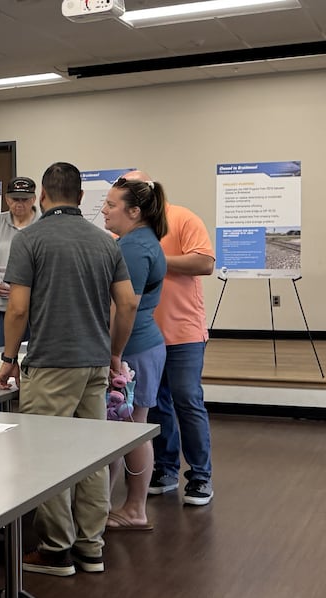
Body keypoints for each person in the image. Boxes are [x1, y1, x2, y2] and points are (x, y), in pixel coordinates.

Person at [0, 162, 138, 577]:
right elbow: (128, 303)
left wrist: (8, 359)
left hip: (51, 364)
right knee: (90, 456)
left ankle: (56, 550)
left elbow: (18, 307)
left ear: (42, 195)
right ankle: (90, 548)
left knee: (47, 456)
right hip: (94, 363)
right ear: (80, 199)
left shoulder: (31, 239)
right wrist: (113, 353)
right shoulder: (105, 242)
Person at [124, 170, 216, 506]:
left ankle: (201, 477)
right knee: (153, 403)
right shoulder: (126, 233)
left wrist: (157, 260)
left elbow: (205, 262)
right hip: (145, 337)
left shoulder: (182, 218)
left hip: (184, 332)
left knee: (186, 399)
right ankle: (164, 469)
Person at [102, 176, 168, 530]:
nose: (104, 210)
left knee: (130, 430)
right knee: (125, 429)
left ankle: (134, 510)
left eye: (112, 205)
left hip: (133, 349)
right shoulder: (142, 241)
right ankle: (115, 505)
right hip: (141, 346)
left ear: (134, 211)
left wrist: (114, 355)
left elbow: (123, 308)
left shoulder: (133, 248)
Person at [0, 176, 39, 349]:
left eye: (25, 199)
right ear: (6, 199)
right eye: (14, 199)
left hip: (33, 312)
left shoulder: (42, 224)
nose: (19, 204)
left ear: (34, 199)